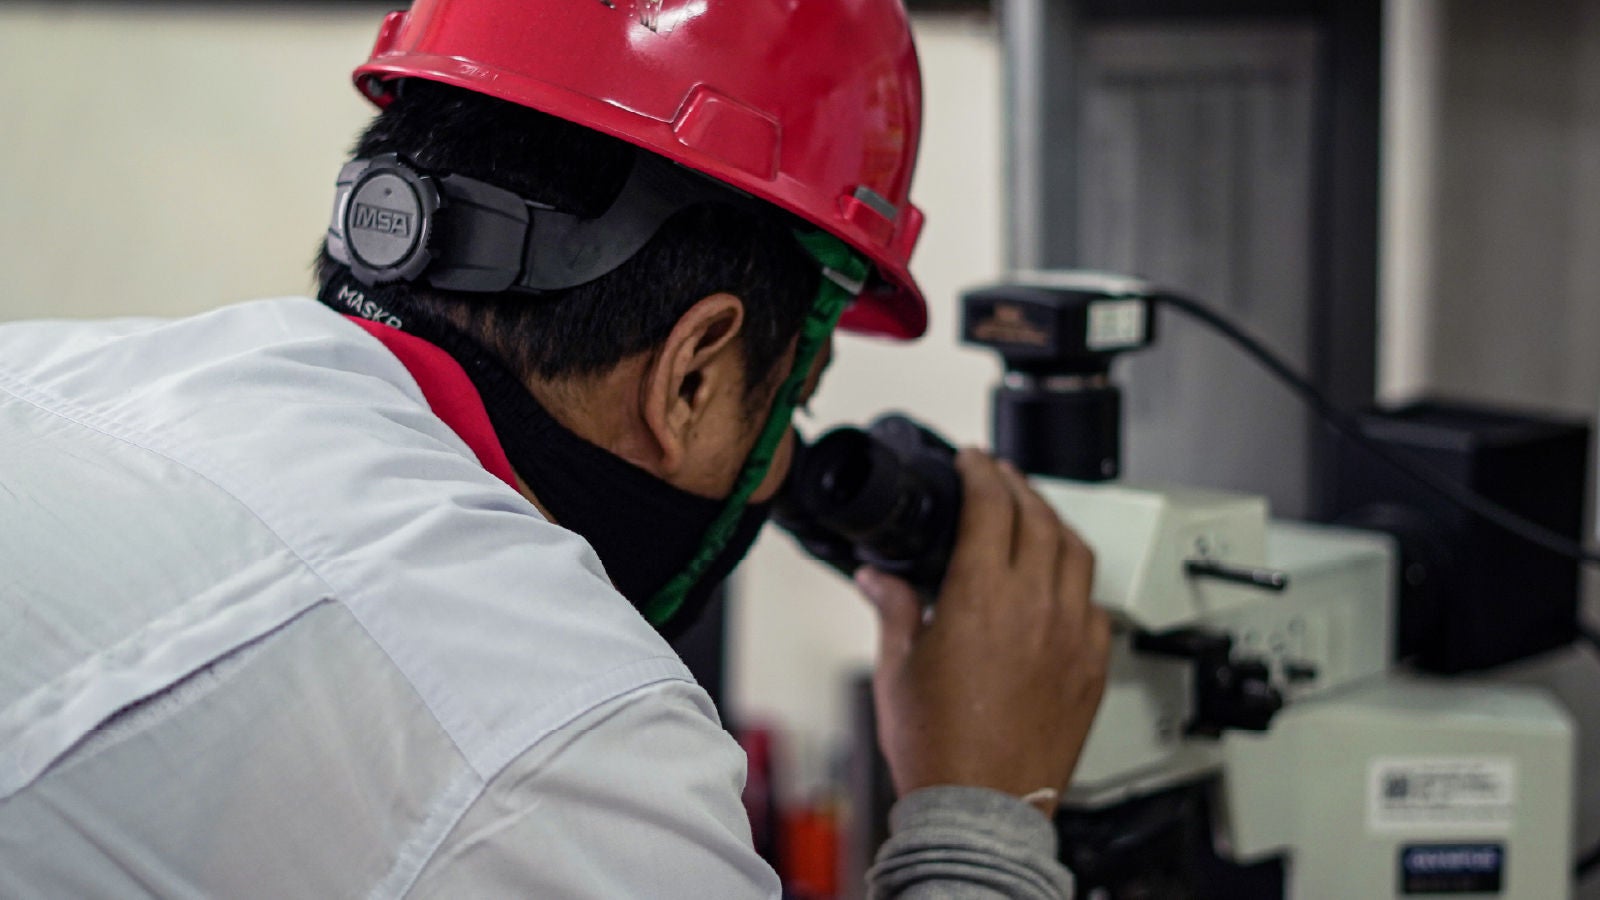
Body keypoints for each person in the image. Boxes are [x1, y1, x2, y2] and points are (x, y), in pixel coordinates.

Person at [0, 1, 1111, 896]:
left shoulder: (41, 376)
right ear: (692, 373)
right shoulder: (554, 749)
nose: (778, 470)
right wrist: (979, 821)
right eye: (792, 397)